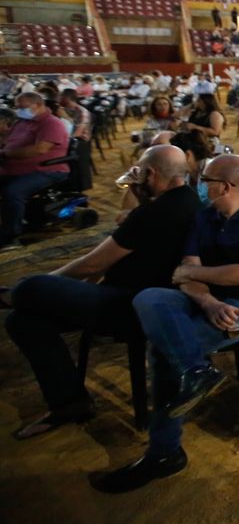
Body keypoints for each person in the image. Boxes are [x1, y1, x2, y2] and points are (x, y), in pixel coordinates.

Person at [91, 154, 239, 493]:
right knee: (149, 298)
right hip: (209, 299)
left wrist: (195, 276)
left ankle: (164, 452)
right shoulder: (206, 217)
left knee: (162, 350)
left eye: (205, 178)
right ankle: (195, 371)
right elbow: (184, 272)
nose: (199, 183)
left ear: (224, 186)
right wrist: (208, 300)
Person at [5, 146, 201, 440]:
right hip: (156, 304)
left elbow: (92, 264)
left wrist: (47, 286)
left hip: (129, 307)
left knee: (33, 287)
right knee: (22, 322)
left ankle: (10, 294)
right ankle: (70, 403)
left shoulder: (153, 212)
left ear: (149, 173)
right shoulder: (189, 201)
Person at [0, 92, 71, 250]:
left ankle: (11, 237)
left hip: (46, 169)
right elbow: (6, 140)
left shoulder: (51, 123)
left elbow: (40, 149)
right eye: (17, 107)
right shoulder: (22, 122)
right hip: (12, 167)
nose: (19, 110)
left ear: (38, 105)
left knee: (13, 192)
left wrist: (5, 154)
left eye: (22, 107)